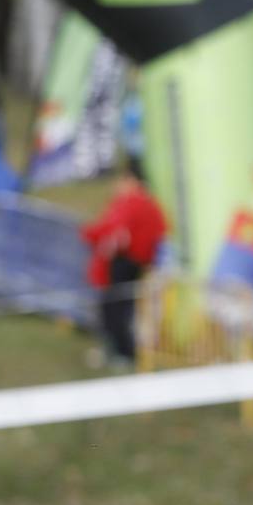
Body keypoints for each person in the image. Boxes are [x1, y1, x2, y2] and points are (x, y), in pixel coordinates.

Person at [79, 159, 166, 371]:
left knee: (116, 309)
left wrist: (99, 238)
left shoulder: (134, 202)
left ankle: (123, 353)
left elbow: (117, 232)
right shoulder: (144, 203)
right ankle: (116, 351)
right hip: (131, 262)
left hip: (125, 262)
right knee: (115, 309)